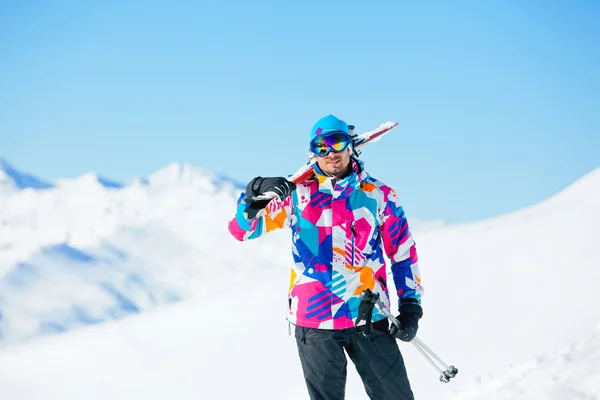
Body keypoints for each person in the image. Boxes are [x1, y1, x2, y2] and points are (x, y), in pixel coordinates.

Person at [228, 114, 424, 400]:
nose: (331, 153)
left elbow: (403, 254)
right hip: (314, 322)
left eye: (337, 143)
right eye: (322, 147)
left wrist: (411, 306)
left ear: (351, 145)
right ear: (313, 152)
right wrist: (254, 192)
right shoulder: (297, 195)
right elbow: (241, 231)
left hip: (369, 316)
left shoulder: (379, 195)